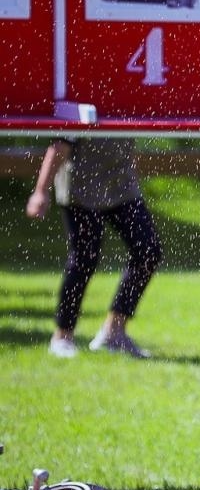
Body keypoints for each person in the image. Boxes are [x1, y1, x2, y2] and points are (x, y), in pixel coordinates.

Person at [25, 137, 164, 359]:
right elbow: (59, 146)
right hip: (82, 186)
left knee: (148, 251)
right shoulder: (81, 102)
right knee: (84, 259)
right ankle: (62, 337)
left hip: (121, 187)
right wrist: (41, 191)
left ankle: (113, 332)